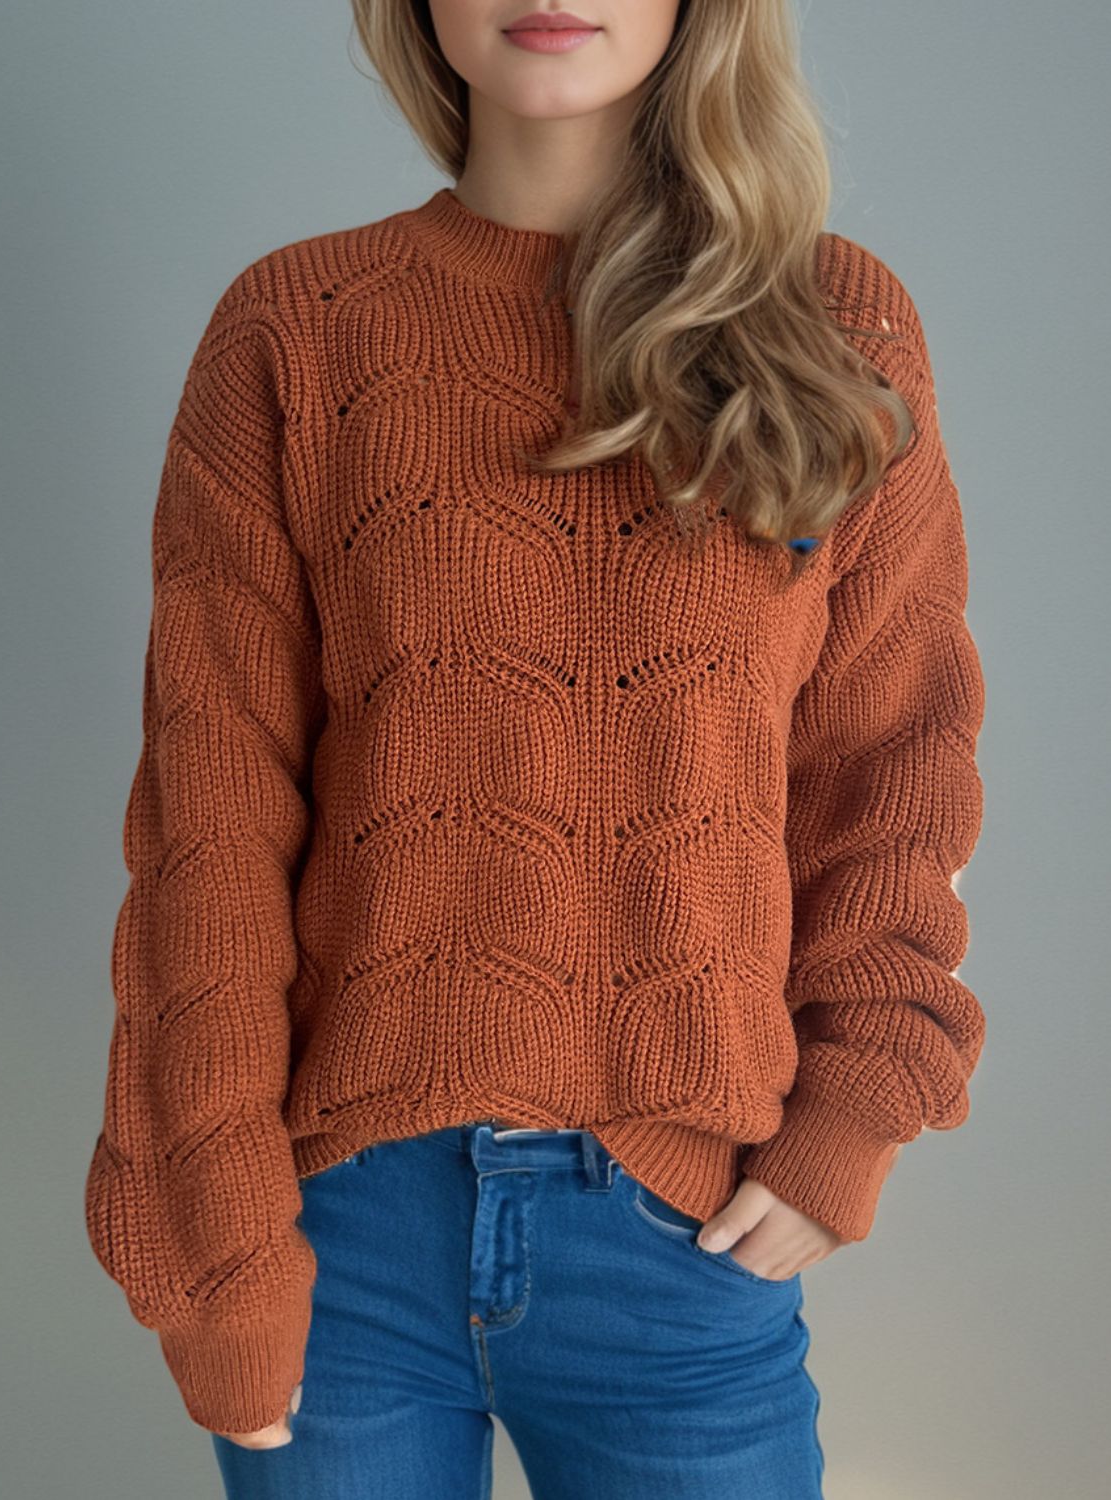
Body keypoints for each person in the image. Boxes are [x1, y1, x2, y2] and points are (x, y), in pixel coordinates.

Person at [82, 2, 987, 1495]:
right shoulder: (299, 330)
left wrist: (856, 1110)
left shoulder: (833, 324)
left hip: (679, 1235)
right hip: (341, 1236)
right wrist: (221, 1246)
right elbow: (211, 828)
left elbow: (889, 771)